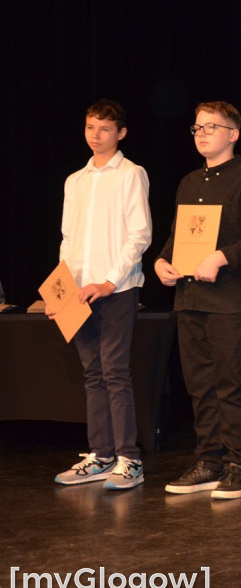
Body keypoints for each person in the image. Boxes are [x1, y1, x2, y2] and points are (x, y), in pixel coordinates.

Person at [155, 101, 241, 500]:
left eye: (212, 126)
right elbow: (177, 235)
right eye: (197, 128)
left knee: (231, 384)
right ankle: (208, 460)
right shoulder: (189, 182)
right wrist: (161, 261)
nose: (202, 133)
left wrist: (221, 257)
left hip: (231, 301)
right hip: (190, 298)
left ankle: (240, 465)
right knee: (199, 385)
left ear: (233, 134)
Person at [51, 99, 152, 490]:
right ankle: (101, 455)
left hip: (116, 290)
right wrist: (61, 291)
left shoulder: (131, 174)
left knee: (114, 372)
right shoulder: (75, 180)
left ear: (121, 133)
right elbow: (68, 239)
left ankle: (130, 458)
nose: (96, 135)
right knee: (92, 374)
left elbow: (139, 234)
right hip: (78, 293)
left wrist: (109, 281)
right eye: (91, 127)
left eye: (105, 128)